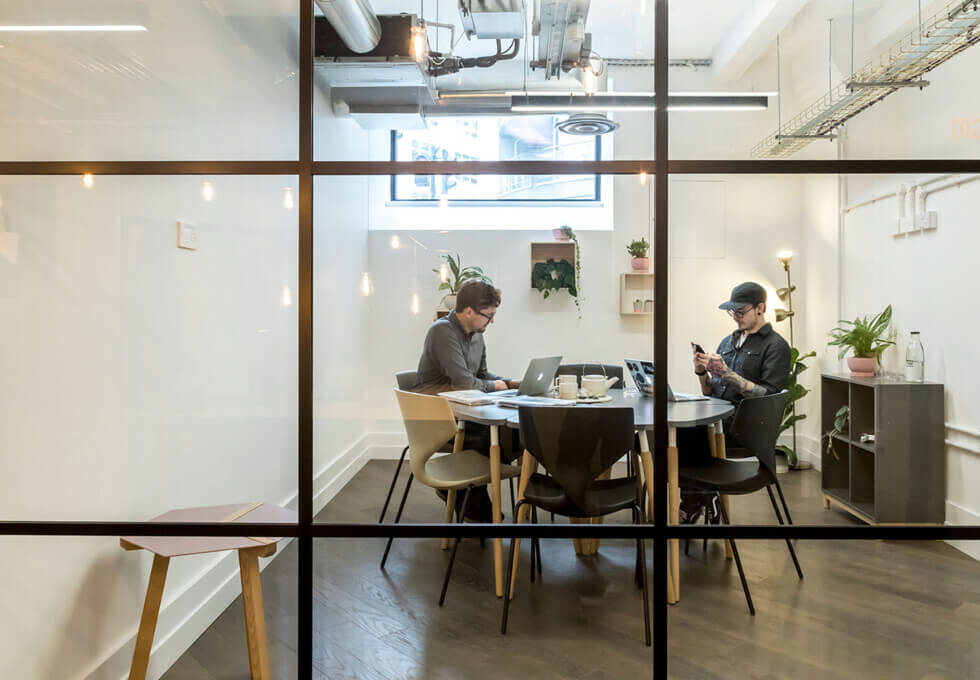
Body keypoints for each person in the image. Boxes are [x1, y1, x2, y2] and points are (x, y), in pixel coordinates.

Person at [679, 281, 791, 523]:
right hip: (719, 421)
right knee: (677, 433)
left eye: (741, 311)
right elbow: (710, 393)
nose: (736, 317)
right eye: (733, 312)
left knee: (684, 436)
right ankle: (703, 498)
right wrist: (701, 372)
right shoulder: (727, 342)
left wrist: (727, 373)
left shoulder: (776, 346)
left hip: (745, 429)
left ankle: (695, 501)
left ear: (760, 308)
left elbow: (767, 398)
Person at [413, 279, 521, 521]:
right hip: (437, 418)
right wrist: (497, 386)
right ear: (470, 311)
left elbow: (481, 375)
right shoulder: (442, 331)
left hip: (463, 412)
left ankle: (466, 493)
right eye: (489, 315)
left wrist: (509, 382)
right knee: (492, 434)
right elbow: (465, 383)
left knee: (513, 434)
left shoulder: (477, 334)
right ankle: (462, 492)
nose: (492, 321)